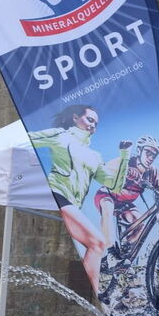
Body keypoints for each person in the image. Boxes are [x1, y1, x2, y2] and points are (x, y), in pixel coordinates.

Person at [29, 106, 130, 293]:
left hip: (72, 204)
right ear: (75, 118)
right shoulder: (60, 135)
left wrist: (124, 156)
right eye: (90, 120)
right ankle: (95, 292)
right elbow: (27, 140)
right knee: (98, 242)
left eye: (96, 124)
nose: (93, 126)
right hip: (58, 195)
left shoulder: (94, 156)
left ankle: (87, 294)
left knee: (96, 244)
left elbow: (114, 184)